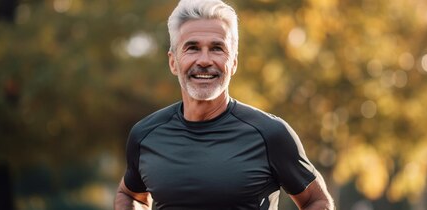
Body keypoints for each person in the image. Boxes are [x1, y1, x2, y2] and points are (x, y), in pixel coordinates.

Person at [114, 0, 334, 209]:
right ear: (173, 62)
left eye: (217, 48)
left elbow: (317, 202)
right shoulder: (145, 135)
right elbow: (130, 194)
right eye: (192, 48)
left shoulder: (270, 134)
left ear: (234, 62)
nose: (204, 60)